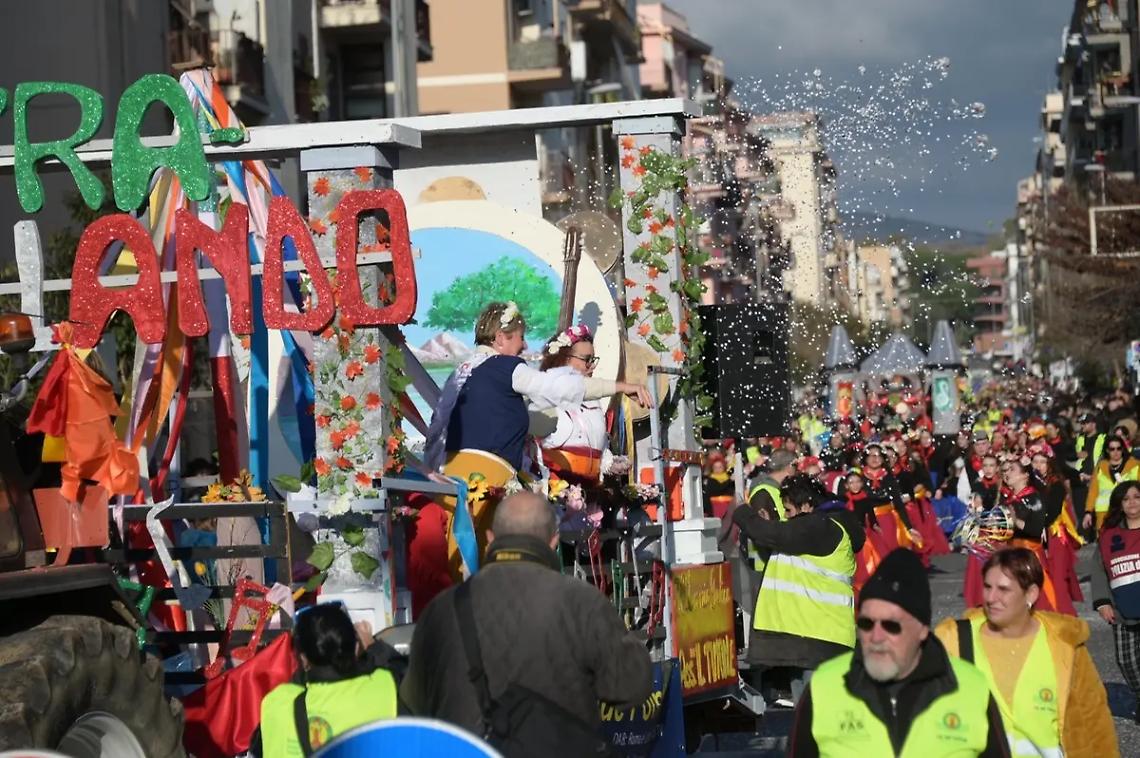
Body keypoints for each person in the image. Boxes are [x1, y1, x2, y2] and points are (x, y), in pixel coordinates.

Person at [416, 302, 649, 597]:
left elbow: (440, 426)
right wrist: (618, 386)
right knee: (479, 561)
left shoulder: (464, 372)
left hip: (461, 474)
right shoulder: (503, 366)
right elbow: (557, 388)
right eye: (519, 337)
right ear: (500, 338)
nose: (525, 344)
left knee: (469, 560)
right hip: (484, 477)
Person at [401, 491, 652, 751]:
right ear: (554, 541)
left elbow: (413, 705)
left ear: (490, 539)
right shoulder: (581, 602)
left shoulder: (443, 608)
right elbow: (632, 686)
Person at [788, 549, 1010, 757]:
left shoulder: (971, 689)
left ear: (923, 629)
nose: (876, 637)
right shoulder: (824, 686)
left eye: (891, 626)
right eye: (866, 623)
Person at [936, 548, 1119, 757]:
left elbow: (1094, 722)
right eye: (987, 587)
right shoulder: (954, 641)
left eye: (1003, 589)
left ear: (1031, 593)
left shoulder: (1063, 645)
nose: (991, 597)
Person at [732, 474, 865, 703]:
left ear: (806, 506)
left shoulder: (819, 526)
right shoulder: (823, 526)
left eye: (789, 510)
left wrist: (743, 513)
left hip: (819, 637)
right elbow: (781, 550)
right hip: (812, 636)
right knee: (809, 714)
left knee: (818, 714)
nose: (785, 516)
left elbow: (775, 534)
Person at [257, 604, 399, 756]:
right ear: (356, 647)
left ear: (304, 658)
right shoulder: (385, 685)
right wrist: (373, 647)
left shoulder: (278, 702)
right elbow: (403, 666)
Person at [1091, 480, 1140, 722]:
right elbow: (1098, 569)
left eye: (1137, 497)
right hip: (1122, 608)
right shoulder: (1109, 536)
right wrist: (1102, 602)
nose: (1132, 502)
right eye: (1127, 498)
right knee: (1126, 660)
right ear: (1120, 504)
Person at [1084, 434, 1140, 532]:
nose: (1116, 452)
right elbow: (1093, 491)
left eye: (1119, 448)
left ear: (1123, 449)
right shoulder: (1100, 467)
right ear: (1107, 450)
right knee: (1105, 544)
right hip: (1104, 515)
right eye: (1112, 449)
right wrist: (1088, 512)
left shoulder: (1135, 465)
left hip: (1129, 513)